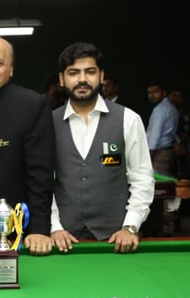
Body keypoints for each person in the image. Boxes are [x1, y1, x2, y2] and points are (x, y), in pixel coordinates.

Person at [50, 42, 154, 253]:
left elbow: (142, 177)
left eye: (90, 72)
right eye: (73, 73)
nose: (82, 79)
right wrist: (55, 227)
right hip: (64, 239)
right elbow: (40, 182)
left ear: (101, 76)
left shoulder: (129, 119)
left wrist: (130, 226)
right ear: (62, 79)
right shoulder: (46, 123)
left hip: (116, 239)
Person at [0, 35, 55, 255]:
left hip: (18, 229)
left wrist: (40, 229)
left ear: (11, 69)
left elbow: (40, 174)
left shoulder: (33, 104)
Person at [146, 80, 180, 175]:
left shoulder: (160, 110)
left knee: (158, 186)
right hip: (167, 151)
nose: (152, 95)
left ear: (164, 93)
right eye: (149, 92)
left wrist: (149, 155)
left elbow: (155, 136)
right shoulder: (171, 107)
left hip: (159, 153)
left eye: (155, 92)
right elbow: (171, 133)